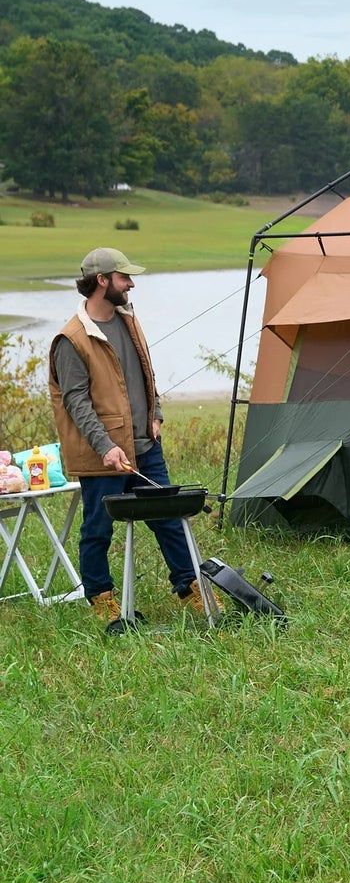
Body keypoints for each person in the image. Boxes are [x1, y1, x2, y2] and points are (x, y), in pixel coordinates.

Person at [48, 247, 215, 633]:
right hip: (103, 454)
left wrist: (155, 415)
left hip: (144, 447)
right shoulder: (71, 339)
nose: (132, 283)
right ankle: (101, 597)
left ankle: (190, 588)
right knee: (98, 528)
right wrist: (107, 448)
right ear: (102, 281)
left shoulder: (128, 320)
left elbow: (146, 374)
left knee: (169, 519)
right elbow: (76, 403)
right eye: (124, 277)